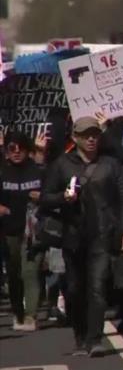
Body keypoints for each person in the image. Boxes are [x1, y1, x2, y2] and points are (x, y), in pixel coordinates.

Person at [40, 116, 123, 356]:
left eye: (94, 134)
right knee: (74, 288)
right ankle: (80, 336)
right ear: (75, 138)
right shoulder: (62, 164)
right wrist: (64, 197)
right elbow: (45, 197)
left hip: (102, 235)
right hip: (73, 236)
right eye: (86, 135)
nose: (91, 139)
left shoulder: (110, 164)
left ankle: (95, 339)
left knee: (97, 287)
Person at [0, 132, 44, 331]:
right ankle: (18, 312)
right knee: (14, 274)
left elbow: (54, 190)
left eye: (21, 148)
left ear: (28, 150)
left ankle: (30, 316)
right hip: (9, 231)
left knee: (30, 271)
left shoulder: (37, 170)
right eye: (12, 148)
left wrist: (42, 197)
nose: (16, 152)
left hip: (33, 231)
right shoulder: (2, 171)